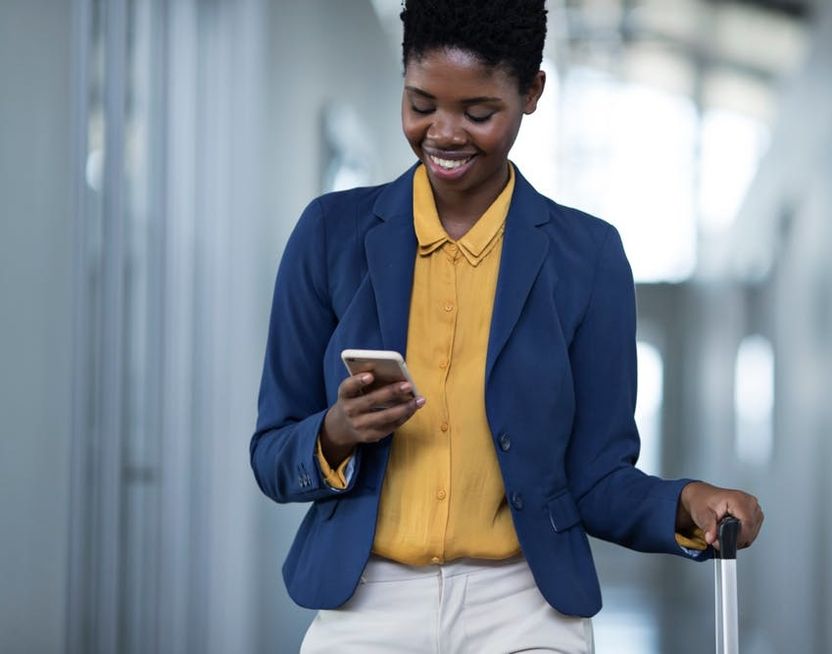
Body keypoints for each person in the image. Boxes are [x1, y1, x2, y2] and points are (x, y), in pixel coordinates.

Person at [250, 1, 764, 651]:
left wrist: (687, 502)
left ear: (532, 92)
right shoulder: (329, 235)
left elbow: (597, 479)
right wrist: (336, 433)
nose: (444, 133)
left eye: (479, 112)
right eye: (421, 103)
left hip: (523, 608)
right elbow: (271, 453)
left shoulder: (589, 257)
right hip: (367, 605)